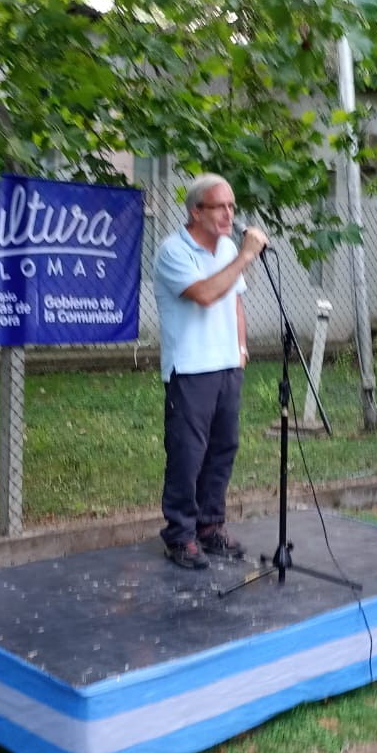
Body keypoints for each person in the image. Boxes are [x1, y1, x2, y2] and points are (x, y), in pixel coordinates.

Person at [153, 173, 268, 569]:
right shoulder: (173, 251)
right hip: (190, 369)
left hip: (226, 367)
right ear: (196, 211)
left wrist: (240, 349)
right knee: (188, 454)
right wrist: (245, 256)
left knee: (223, 449)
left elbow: (234, 299)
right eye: (220, 206)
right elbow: (204, 294)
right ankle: (180, 535)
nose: (229, 214)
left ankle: (209, 527)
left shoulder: (227, 250)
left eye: (232, 207)